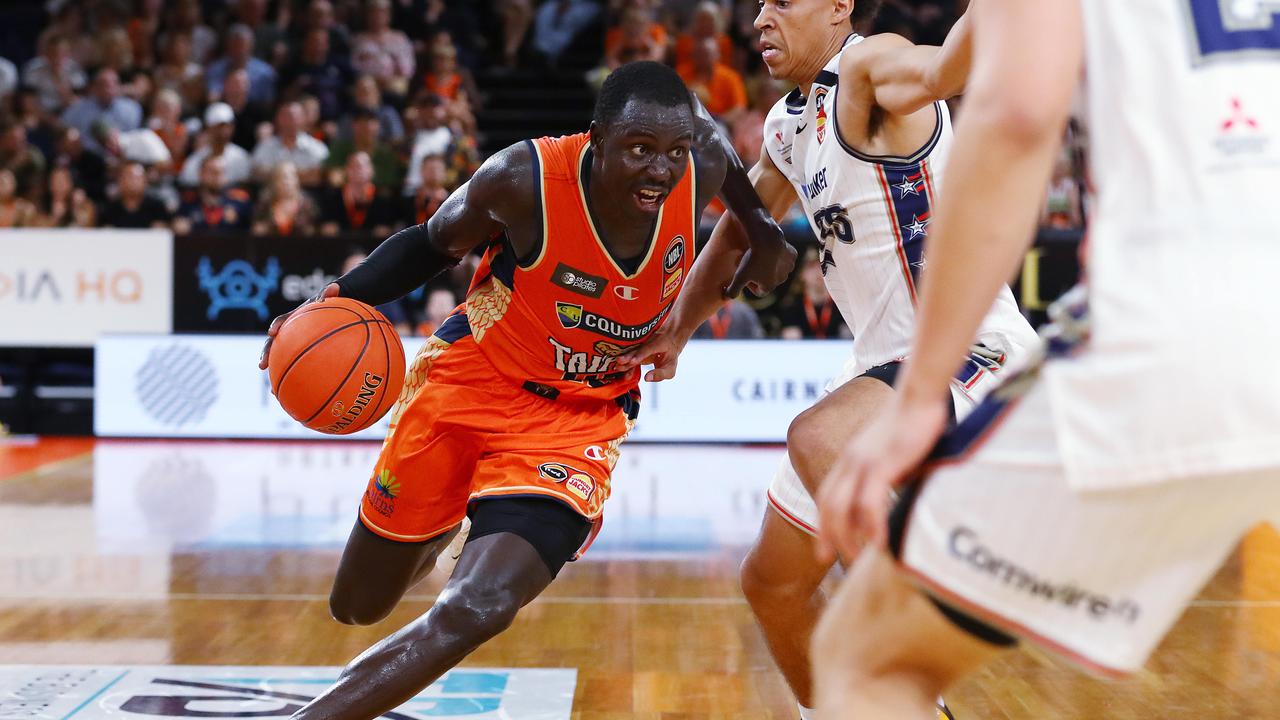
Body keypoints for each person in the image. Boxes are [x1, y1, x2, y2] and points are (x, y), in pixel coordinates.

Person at [257, 61, 794, 720]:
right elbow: (429, 245)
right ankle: (445, 513)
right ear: (596, 139)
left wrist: (763, 227)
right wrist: (331, 301)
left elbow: (715, 146)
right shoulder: (521, 182)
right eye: (639, 150)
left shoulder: (700, 158)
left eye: (673, 152)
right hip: (472, 380)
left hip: (579, 421)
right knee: (358, 605)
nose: (661, 168)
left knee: (477, 606)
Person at [811, 0, 1280, 717]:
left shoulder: (869, 71)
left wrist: (918, 400)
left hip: (1180, 326)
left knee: (868, 659)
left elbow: (1018, 117)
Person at [617, 2, 1038, 719]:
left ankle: (917, 668)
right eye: (758, 5)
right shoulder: (788, 124)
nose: (760, 18)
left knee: (818, 436)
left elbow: (944, 68)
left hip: (969, 349)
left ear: (839, 6)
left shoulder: (871, 69)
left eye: (782, 2)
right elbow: (741, 234)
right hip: (879, 367)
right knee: (772, 586)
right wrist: (678, 329)